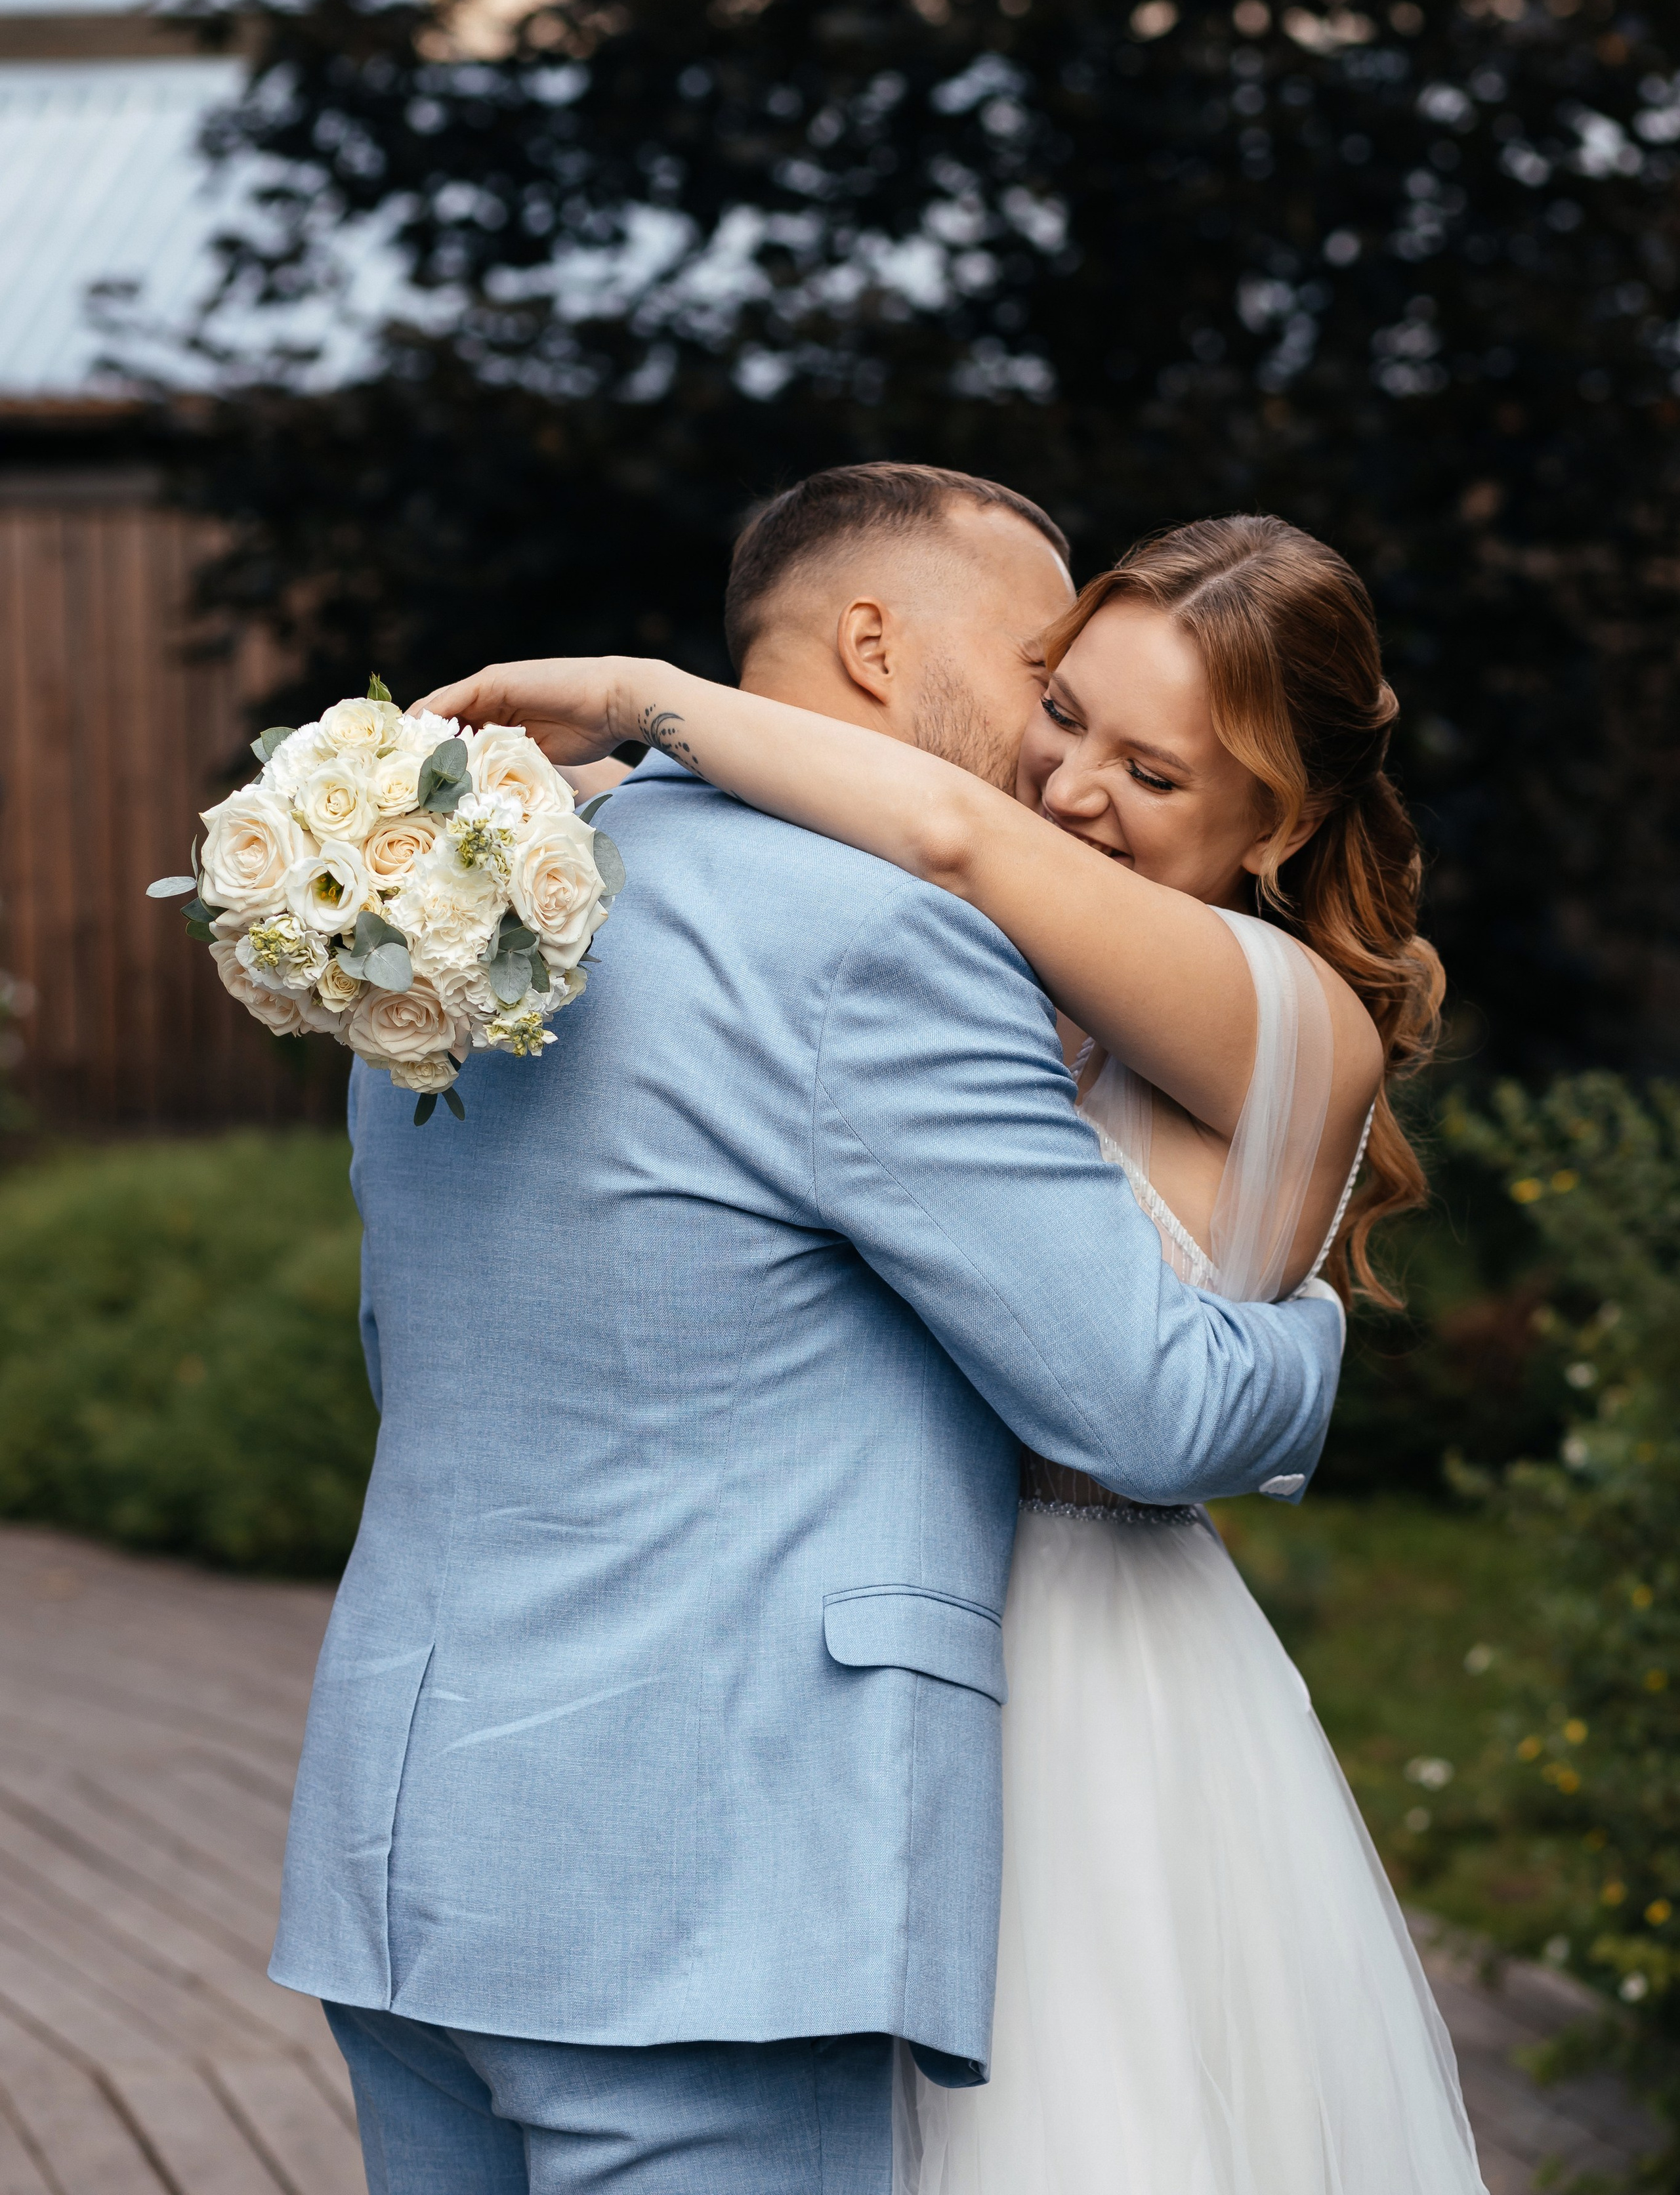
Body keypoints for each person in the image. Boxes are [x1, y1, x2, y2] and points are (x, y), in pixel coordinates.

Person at [268, 463, 1344, 2195]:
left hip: (405, 1865)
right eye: (1035, 679)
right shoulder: (883, 940)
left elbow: (432, 1365)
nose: (1048, 758)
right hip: (704, 1905)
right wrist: (1320, 1342)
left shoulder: (455, 922)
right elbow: (1144, 1410)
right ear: (871, 643)